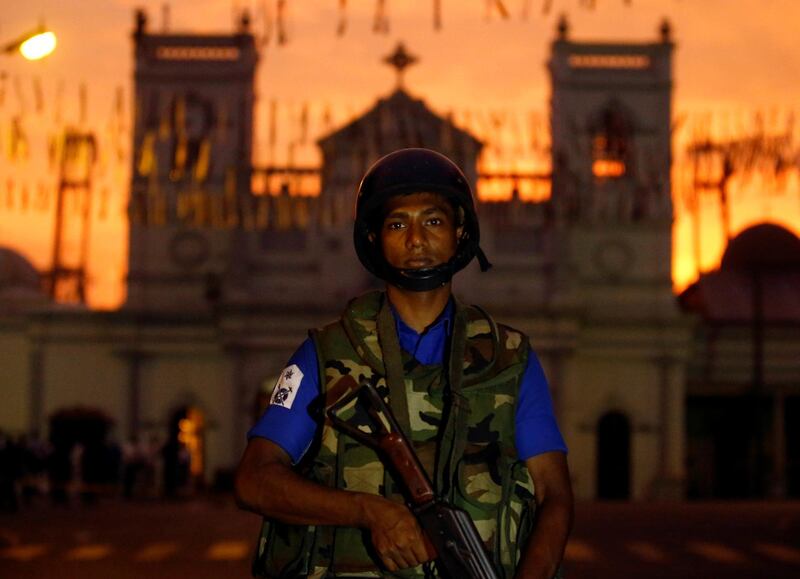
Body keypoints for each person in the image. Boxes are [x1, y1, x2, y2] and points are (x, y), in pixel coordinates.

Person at [236, 148, 573, 578]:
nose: (417, 240)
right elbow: (254, 479)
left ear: (459, 231)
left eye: (433, 221)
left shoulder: (508, 360)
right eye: (398, 224)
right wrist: (368, 512)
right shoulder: (326, 355)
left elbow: (554, 494)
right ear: (375, 238)